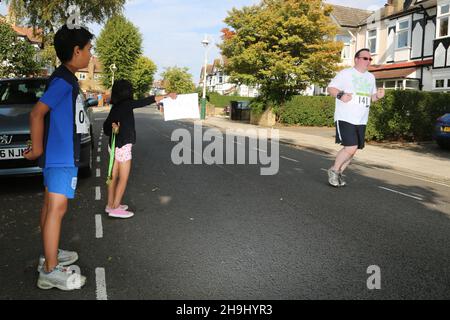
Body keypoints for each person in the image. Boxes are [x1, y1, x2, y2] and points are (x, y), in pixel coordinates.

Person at [24, 25, 94, 290]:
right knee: (57, 209)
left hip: (61, 155)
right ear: (76, 51)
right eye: (88, 49)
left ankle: (48, 253)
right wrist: (38, 149)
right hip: (60, 156)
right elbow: (37, 113)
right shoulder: (63, 80)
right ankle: (50, 270)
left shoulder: (65, 77)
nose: (90, 54)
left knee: (49, 207)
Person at [103, 80, 176, 218]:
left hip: (113, 146)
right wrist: (167, 95)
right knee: (123, 178)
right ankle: (116, 207)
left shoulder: (116, 107)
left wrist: (114, 128)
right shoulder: (126, 105)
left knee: (113, 176)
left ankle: (110, 204)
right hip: (123, 146)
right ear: (127, 92)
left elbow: (106, 128)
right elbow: (147, 100)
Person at [326, 48, 385, 187]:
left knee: (353, 150)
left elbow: (371, 97)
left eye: (370, 59)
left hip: (361, 119)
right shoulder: (346, 73)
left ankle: (339, 172)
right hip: (345, 116)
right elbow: (331, 88)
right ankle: (334, 170)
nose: (368, 61)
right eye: (365, 58)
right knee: (350, 147)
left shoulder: (371, 77)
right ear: (356, 59)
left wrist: (378, 96)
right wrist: (341, 95)